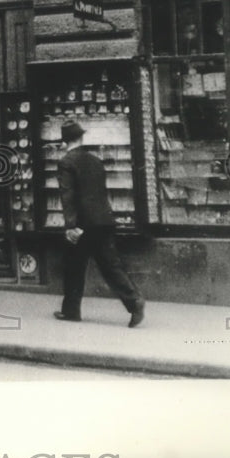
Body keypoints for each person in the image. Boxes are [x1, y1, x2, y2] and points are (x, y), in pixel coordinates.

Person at [54, 120, 145, 327]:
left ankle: (71, 311)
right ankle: (134, 301)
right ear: (81, 137)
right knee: (111, 266)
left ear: (64, 141)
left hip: (83, 224)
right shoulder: (95, 161)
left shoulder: (66, 163)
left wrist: (71, 226)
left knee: (74, 267)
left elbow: (67, 196)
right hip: (104, 220)